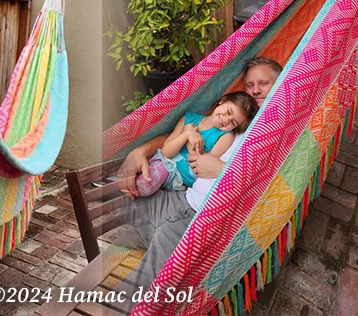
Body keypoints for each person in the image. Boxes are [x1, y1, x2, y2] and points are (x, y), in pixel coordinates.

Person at [114, 57, 283, 307]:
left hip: (198, 216)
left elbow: (275, 183)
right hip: (181, 197)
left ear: (282, 81)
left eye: (264, 83)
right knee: (121, 200)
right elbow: (182, 137)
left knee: (145, 291)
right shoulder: (241, 121)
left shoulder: (279, 126)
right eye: (250, 84)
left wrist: (223, 169)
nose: (255, 90)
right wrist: (140, 151)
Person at [135, 92, 258, 197]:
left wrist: (190, 138)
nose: (225, 120)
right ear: (222, 101)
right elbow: (166, 151)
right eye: (228, 112)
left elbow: (200, 167)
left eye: (233, 122)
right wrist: (186, 134)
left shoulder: (225, 137)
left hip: (182, 186)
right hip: (165, 166)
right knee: (144, 184)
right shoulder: (189, 118)